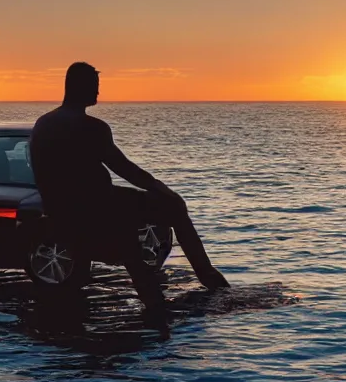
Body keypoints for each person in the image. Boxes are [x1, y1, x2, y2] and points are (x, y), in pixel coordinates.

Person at [29, 62, 229, 314]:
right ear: (81, 87)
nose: (98, 94)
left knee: (132, 244)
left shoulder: (43, 124)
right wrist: (162, 189)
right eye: (95, 87)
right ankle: (206, 277)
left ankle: (159, 304)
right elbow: (125, 169)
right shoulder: (93, 128)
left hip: (61, 210)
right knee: (173, 207)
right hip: (98, 207)